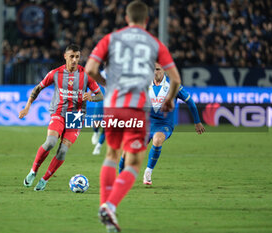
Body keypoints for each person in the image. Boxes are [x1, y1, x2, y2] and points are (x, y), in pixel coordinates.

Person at [85, 1, 182, 232]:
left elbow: (89, 69)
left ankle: (104, 205)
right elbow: (175, 79)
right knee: (134, 162)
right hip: (136, 108)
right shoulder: (154, 43)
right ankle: (110, 205)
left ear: (126, 18)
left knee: (111, 154)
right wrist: (169, 99)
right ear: (146, 20)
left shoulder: (111, 38)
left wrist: (107, 84)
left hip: (112, 106)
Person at [19, 44, 103, 191]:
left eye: (77, 56)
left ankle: (44, 180)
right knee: (51, 142)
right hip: (58, 113)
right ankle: (33, 171)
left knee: (63, 150)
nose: (75, 60)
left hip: (76, 116)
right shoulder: (56, 73)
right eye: (72, 56)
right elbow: (38, 88)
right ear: (65, 57)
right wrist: (27, 106)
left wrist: (91, 97)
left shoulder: (86, 75)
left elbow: (100, 95)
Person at [119, 63, 206, 184]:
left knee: (157, 140)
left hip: (164, 124)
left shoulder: (173, 85)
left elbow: (190, 102)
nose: (155, 72)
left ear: (164, 70)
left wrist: (197, 122)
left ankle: (148, 172)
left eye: (158, 69)